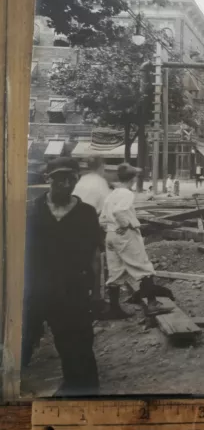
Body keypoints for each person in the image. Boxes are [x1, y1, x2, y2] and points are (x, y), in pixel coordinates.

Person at [23, 157, 101, 396]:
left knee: (77, 340)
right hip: (36, 287)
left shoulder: (86, 213)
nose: (65, 184)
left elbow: (95, 255)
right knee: (24, 337)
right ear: (49, 180)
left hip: (73, 288)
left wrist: (97, 292)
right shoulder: (33, 211)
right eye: (59, 179)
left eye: (71, 179)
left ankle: (81, 388)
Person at [100, 163, 172, 318]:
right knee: (143, 267)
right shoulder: (126, 193)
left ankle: (114, 308)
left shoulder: (112, 194)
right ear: (132, 179)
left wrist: (111, 228)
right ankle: (152, 304)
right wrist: (126, 225)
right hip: (124, 235)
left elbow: (102, 218)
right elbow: (119, 211)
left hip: (111, 235)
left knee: (115, 271)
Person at [72, 156, 111, 313]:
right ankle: (96, 297)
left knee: (76, 261)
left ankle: (77, 296)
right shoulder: (101, 183)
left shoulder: (82, 180)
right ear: (101, 166)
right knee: (96, 259)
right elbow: (106, 209)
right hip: (90, 221)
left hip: (73, 220)